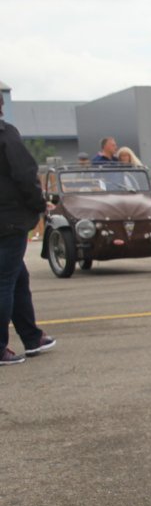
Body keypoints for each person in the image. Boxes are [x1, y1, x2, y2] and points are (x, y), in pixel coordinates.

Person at [0, 97, 54, 366]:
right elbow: (24, 173)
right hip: (9, 220)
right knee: (5, 282)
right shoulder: (6, 134)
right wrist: (39, 204)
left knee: (18, 277)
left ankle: (32, 337)